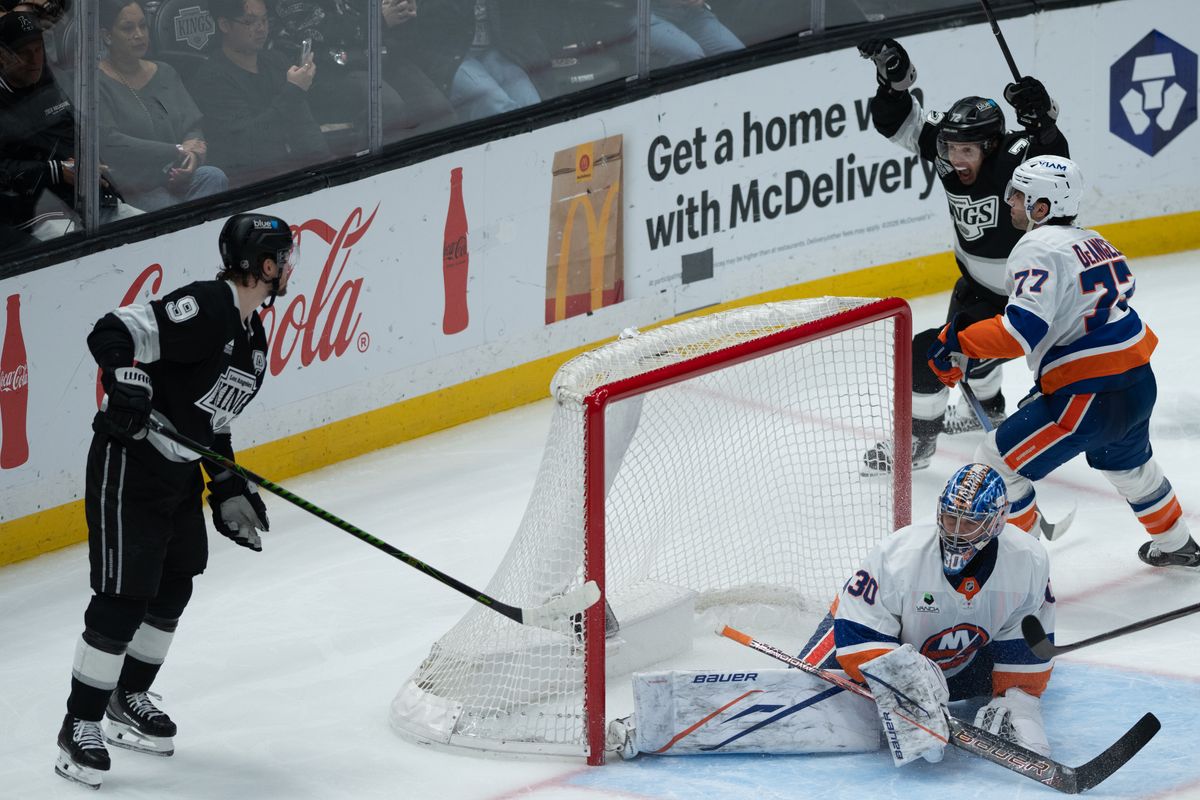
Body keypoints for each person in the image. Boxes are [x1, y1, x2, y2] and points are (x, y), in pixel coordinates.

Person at [54, 212, 295, 790]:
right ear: (265, 266)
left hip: (178, 475)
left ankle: (126, 697)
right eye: (284, 258)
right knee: (122, 598)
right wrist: (122, 377)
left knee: (174, 585)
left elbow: (212, 424)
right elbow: (110, 330)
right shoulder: (208, 306)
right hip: (130, 462)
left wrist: (228, 484)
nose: (290, 269)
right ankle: (78, 725)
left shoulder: (252, 337)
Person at [606, 464, 1056, 764]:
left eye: (969, 522)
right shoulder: (898, 555)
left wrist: (1015, 703)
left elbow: (1024, 652)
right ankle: (651, 725)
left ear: (997, 522)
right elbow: (857, 637)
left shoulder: (1029, 563)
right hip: (862, 641)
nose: (956, 532)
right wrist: (904, 681)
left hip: (946, 660)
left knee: (1003, 702)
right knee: (800, 698)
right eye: (950, 518)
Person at [927, 156, 1197, 565]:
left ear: (1042, 207)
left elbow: (1018, 334)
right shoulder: (1096, 242)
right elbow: (1087, 319)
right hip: (1138, 382)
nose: (1010, 202)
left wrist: (957, 339)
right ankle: (1179, 544)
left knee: (997, 462)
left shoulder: (1036, 246)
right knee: (1130, 466)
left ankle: (1024, 565)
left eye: (1019, 195)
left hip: (1090, 393)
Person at [854, 37, 1069, 477]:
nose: (956, 158)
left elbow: (1056, 163)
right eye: (951, 149)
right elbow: (898, 123)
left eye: (966, 151)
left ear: (992, 145)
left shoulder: (1017, 161)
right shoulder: (948, 149)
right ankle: (985, 409)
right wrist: (892, 85)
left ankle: (918, 440)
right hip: (974, 286)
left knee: (926, 353)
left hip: (1023, 300)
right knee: (965, 362)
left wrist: (1044, 120)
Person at [0, 11, 141, 241]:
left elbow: (82, 132)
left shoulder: (54, 81)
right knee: (71, 251)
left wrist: (90, 162)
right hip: (36, 212)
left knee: (143, 228)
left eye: (38, 50)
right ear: (3, 56)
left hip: (91, 199)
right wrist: (56, 171)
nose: (35, 60)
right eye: (24, 53)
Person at [98, 0, 228, 212]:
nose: (139, 34)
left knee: (213, 177)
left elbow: (192, 127)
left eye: (143, 26)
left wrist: (191, 158)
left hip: (176, 176)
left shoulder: (165, 72)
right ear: (107, 36)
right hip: (135, 187)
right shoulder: (96, 82)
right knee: (167, 208)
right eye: (128, 28)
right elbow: (111, 143)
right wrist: (176, 151)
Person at [189, 0, 331, 188]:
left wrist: (328, 167)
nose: (261, 28)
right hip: (250, 183)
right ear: (224, 25)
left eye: (264, 20)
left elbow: (305, 126)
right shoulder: (211, 79)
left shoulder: (276, 61)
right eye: (250, 22)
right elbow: (250, 144)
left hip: (296, 173)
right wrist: (294, 91)